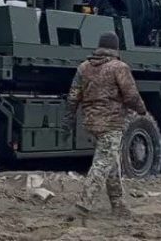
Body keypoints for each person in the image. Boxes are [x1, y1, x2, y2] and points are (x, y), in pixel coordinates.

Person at [62, 31, 147, 218]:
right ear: (115, 48)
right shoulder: (119, 67)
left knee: (111, 160)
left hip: (91, 122)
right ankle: (82, 206)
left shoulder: (83, 67)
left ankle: (118, 204)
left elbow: (73, 97)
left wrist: (68, 121)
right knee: (102, 163)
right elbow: (131, 95)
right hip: (111, 123)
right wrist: (142, 110)